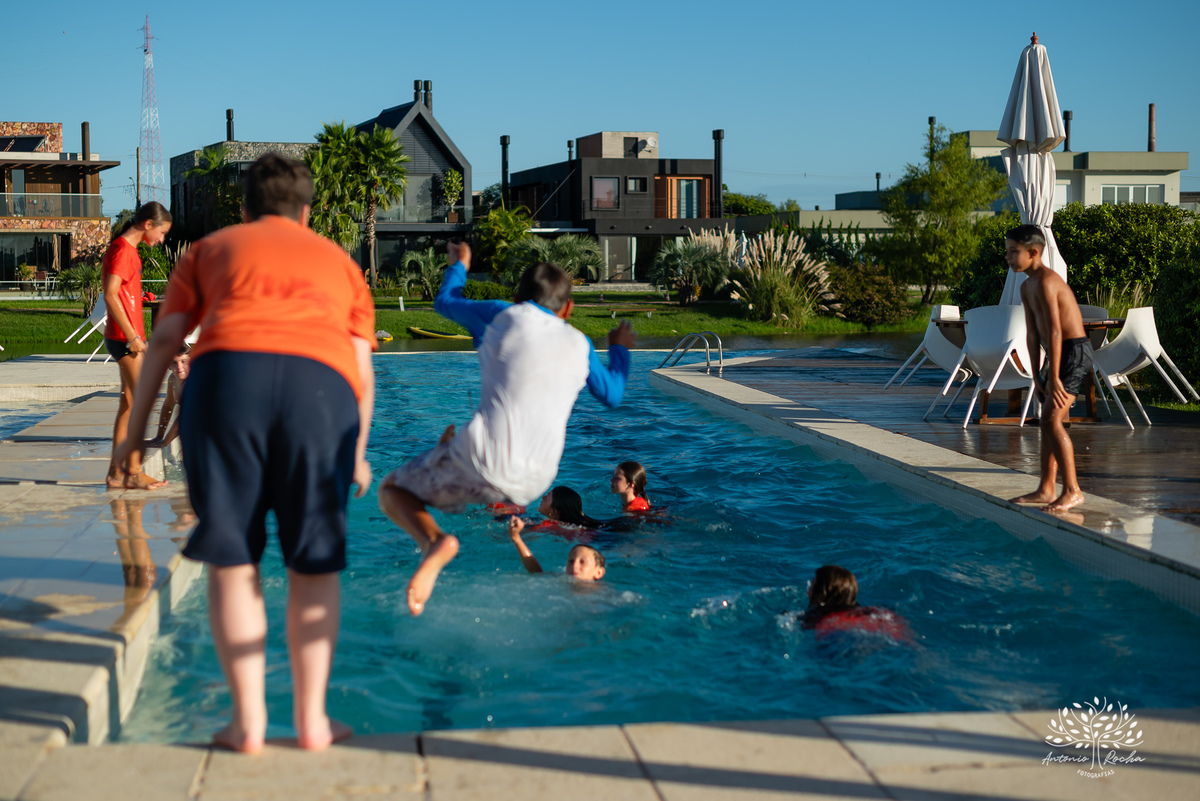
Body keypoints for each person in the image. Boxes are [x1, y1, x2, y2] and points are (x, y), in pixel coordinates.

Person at [114, 153, 376, 754]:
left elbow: (163, 344)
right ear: (306, 211)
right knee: (313, 564)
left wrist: (133, 440)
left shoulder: (207, 251)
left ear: (244, 208)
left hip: (227, 382)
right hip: (321, 392)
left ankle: (248, 723)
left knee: (234, 558)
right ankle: (312, 722)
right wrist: (355, 451)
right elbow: (362, 369)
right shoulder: (341, 263)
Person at [379, 243, 635, 616]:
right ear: (568, 309)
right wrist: (619, 349)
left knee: (392, 491)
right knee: (463, 475)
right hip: (535, 482)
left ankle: (434, 542)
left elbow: (446, 301)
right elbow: (613, 394)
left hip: (482, 458)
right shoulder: (579, 344)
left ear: (517, 298)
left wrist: (461, 264)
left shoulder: (501, 315)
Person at [1005, 224, 1090, 513]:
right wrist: (1035, 372)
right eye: (1007, 252)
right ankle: (1045, 488)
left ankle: (1073, 491)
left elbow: (1055, 330)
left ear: (1033, 252)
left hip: (1073, 352)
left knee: (1053, 420)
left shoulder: (1048, 282)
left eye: (1013, 252)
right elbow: (1032, 333)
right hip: (1054, 356)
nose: (1008, 257)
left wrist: (1053, 377)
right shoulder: (1026, 285)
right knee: (1046, 422)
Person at [103, 201, 172, 490]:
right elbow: (110, 294)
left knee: (129, 404)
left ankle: (116, 474)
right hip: (124, 339)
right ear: (148, 224)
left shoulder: (125, 250)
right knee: (141, 403)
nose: (162, 239)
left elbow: (123, 294)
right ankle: (132, 470)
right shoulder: (123, 250)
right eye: (162, 232)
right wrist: (133, 337)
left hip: (123, 337)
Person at [799, 565, 909, 640]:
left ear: (821, 593)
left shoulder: (818, 618)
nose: (808, 586)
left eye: (813, 582)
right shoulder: (871, 611)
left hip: (843, 634)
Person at [507, 516, 607, 580]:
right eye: (571, 561)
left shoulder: (606, 596)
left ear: (598, 572)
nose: (574, 566)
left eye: (582, 562)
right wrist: (516, 538)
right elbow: (536, 573)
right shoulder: (561, 580)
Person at [145, 344, 190, 449]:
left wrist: (164, 443)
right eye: (174, 363)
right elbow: (168, 406)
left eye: (184, 362)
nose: (179, 367)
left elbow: (183, 419)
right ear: (168, 366)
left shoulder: (195, 382)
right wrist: (159, 436)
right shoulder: (173, 379)